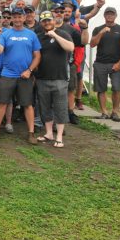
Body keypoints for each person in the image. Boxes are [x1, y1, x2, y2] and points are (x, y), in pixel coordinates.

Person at [0, 7, 42, 144]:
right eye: (15, 17)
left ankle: (31, 133)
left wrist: (29, 70)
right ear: (12, 19)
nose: (17, 19)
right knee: (2, 102)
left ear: (24, 18)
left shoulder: (31, 35)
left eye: (20, 17)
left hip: (25, 75)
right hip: (7, 74)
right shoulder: (5, 34)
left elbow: (37, 56)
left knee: (27, 104)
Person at [34, 11, 76, 148]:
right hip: (42, 78)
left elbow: (70, 47)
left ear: (53, 21)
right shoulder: (38, 37)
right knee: (45, 107)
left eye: (49, 20)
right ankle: (48, 133)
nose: (47, 23)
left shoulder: (62, 33)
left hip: (60, 78)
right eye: (44, 21)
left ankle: (59, 137)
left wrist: (55, 36)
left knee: (60, 107)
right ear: (41, 23)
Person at [90, 7, 120, 121]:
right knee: (101, 89)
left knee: (116, 88)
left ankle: (115, 112)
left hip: (116, 63)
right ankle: (104, 112)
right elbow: (92, 44)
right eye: (107, 14)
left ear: (116, 16)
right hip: (100, 63)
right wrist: (101, 32)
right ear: (104, 16)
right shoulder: (97, 29)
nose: (110, 16)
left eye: (112, 14)